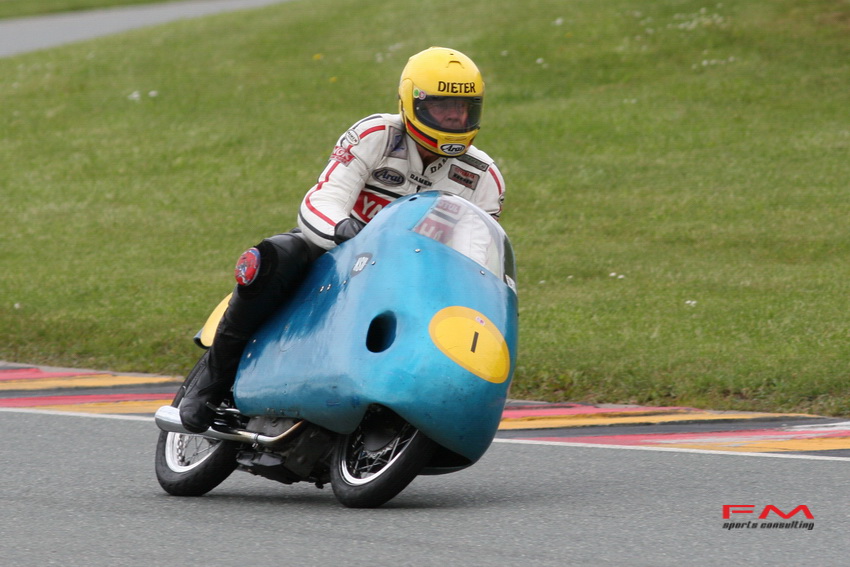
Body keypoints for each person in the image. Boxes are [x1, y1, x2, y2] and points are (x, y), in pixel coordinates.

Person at [179, 46, 507, 433]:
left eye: (464, 107)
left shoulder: (483, 177)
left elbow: (476, 253)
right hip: (338, 253)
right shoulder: (376, 135)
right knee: (274, 256)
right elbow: (325, 196)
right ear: (411, 102)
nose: (455, 116)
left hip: (413, 279)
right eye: (441, 106)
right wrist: (345, 230)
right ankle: (211, 382)